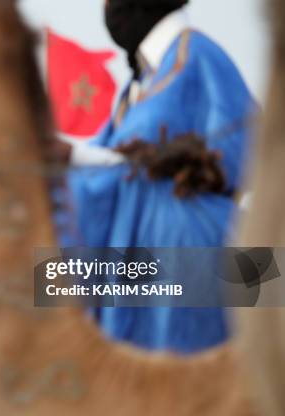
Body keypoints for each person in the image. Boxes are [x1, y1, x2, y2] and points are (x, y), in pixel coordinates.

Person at [66, 0, 256, 352]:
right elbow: (106, 164)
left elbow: (245, 147)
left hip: (191, 254)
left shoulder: (198, 55)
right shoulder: (140, 84)